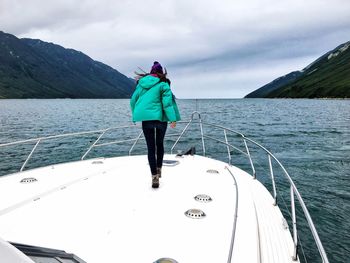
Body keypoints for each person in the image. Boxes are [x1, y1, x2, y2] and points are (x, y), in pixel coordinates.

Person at [130, 61, 181, 188]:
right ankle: (159, 169)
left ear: (151, 72)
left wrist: (135, 114)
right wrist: (172, 119)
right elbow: (167, 103)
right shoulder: (163, 84)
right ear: (161, 73)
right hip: (161, 120)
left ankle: (154, 177)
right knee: (160, 144)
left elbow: (133, 101)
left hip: (146, 120)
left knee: (151, 148)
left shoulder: (141, 85)